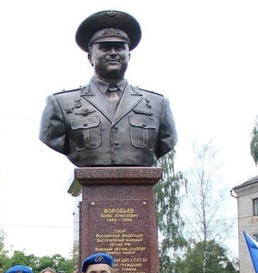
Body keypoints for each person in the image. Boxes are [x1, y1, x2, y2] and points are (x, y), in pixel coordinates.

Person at [39, 10, 177, 167]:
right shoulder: (60, 104)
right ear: (90, 56)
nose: (113, 53)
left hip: (141, 181)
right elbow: (50, 138)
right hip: (92, 182)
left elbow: (166, 142)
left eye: (119, 48)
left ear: (129, 56)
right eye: (105, 48)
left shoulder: (158, 105)